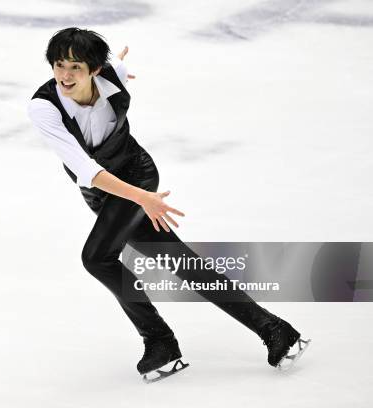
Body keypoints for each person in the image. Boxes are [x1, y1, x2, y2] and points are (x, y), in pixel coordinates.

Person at [27, 27, 309, 382]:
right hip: (103, 191)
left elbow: (117, 67)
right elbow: (85, 168)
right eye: (59, 65)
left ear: (94, 69)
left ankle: (160, 341)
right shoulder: (44, 107)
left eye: (75, 67)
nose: (65, 76)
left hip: (138, 175)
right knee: (179, 261)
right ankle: (275, 331)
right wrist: (142, 200)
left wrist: (143, 194)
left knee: (97, 257)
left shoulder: (111, 74)